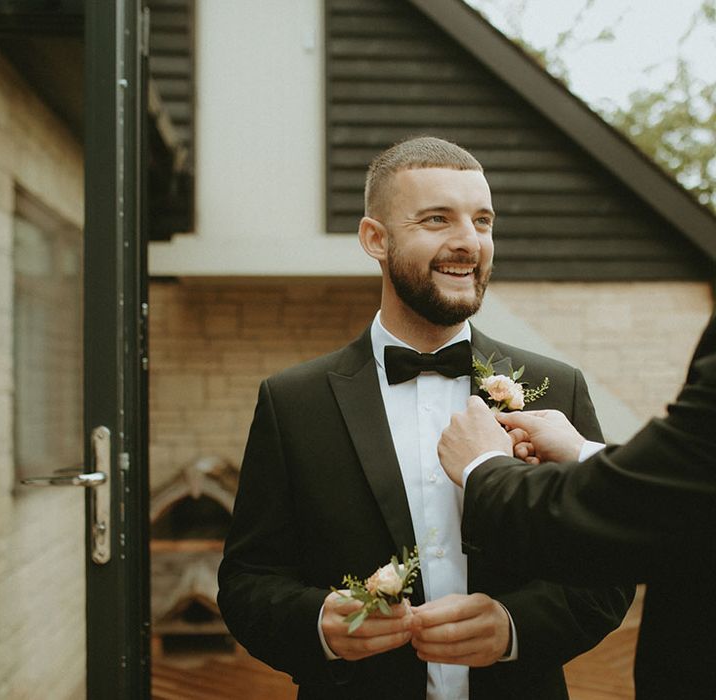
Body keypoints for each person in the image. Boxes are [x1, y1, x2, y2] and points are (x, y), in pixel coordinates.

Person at [217, 136, 632, 699]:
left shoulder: (557, 389)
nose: (469, 242)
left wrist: (515, 627)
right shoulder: (294, 402)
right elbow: (248, 582)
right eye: (438, 219)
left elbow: (604, 571)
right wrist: (320, 624)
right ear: (375, 239)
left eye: (482, 221)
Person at [435, 314, 716, 699]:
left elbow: (620, 549)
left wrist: (483, 468)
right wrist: (582, 452)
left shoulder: (561, 382)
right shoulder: (320, 393)